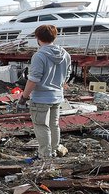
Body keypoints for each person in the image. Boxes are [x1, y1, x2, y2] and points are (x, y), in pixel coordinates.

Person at [18, 24, 71, 159]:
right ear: (54, 37)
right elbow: (67, 75)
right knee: (54, 124)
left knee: (41, 125)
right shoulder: (65, 54)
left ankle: (45, 155)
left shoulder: (39, 55)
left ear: (38, 38)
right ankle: (54, 150)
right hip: (57, 96)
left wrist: (24, 97)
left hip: (41, 97)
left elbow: (33, 79)